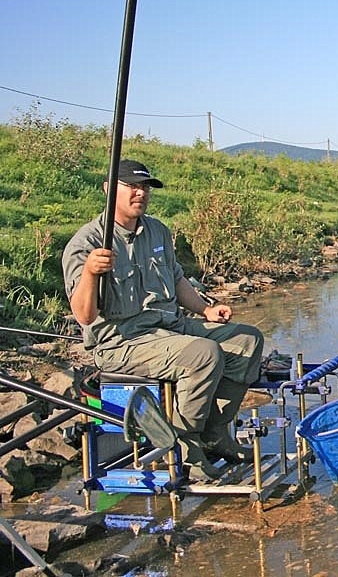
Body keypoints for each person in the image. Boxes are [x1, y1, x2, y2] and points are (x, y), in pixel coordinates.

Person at [62, 159, 264, 481]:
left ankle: (214, 433)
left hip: (169, 326)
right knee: (202, 355)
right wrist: (89, 272)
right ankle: (186, 447)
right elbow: (84, 315)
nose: (140, 193)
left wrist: (205, 310)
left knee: (247, 341)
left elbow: (177, 279)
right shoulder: (87, 243)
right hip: (122, 341)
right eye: (132, 186)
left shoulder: (157, 230)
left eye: (144, 187)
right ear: (109, 189)